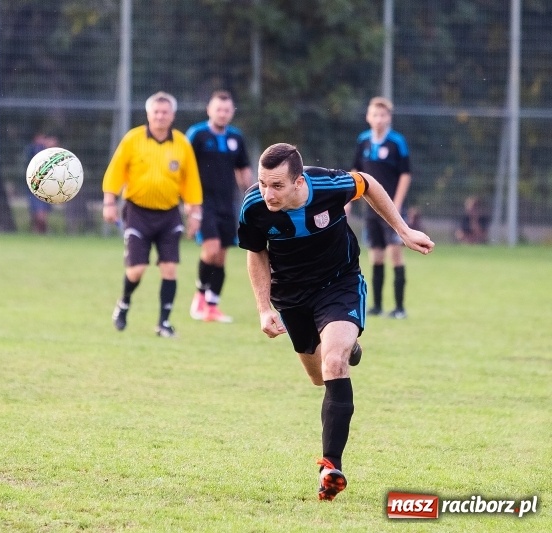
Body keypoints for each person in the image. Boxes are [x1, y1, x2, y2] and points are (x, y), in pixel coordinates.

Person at [239, 143, 433, 501]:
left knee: (334, 364)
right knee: (318, 377)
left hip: (338, 284)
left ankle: (331, 467)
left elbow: (368, 183)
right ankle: (347, 344)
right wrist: (264, 308)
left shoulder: (329, 186)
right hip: (291, 297)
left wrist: (403, 230)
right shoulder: (253, 206)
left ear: (298, 182)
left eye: (277, 185)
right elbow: (257, 254)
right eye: (263, 183)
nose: (268, 193)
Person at [102, 91, 202, 338]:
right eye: (156, 112)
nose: (160, 116)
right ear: (148, 114)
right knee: (137, 270)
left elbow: (191, 181)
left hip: (169, 214)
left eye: (165, 112)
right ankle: (124, 303)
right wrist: (109, 202)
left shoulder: (181, 144)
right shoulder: (133, 139)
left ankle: (163, 323)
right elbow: (115, 171)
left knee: (169, 269)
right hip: (137, 212)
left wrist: (195, 213)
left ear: (172, 116)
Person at [185, 90, 254, 323]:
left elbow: (243, 169)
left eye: (226, 110)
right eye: (218, 109)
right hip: (203, 203)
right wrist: (188, 203)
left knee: (221, 256)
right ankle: (199, 297)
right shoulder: (197, 134)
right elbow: (184, 168)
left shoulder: (236, 137)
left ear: (232, 112)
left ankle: (212, 306)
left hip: (227, 203)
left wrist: (253, 194)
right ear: (209, 110)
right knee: (211, 249)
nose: (222, 114)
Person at [351, 96, 412, 319]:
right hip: (371, 209)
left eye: (383, 115)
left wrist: (397, 203)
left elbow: (405, 174)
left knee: (395, 254)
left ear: (389, 118)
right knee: (376, 256)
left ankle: (399, 308)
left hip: (392, 208)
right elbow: (355, 171)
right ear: (368, 117)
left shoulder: (397, 142)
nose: (379, 119)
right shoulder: (363, 140)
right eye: (375, 115)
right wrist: (350, 198)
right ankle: (376, 306)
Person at [23, 132, 57, 234]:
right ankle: (39, 230)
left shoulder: (51, 151)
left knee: (43, 213)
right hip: (35, 186)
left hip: (47, 186)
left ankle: (41, 231)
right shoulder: (33, 149)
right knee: (38, 213)